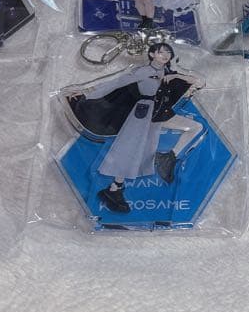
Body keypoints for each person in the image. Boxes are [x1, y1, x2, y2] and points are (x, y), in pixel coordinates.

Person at [65, 43, 205, 214]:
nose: (165, 55)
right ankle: (114, 189)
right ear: (152, 54)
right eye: (161, 52)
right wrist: (87, 93)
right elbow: (116, 83)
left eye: (168, 52)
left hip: (160, 113)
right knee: (130, 151)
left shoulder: (169, 73)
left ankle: (168, 156)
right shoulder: (143, 71)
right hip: (143, 113)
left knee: (195, 127)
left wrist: (176, 76)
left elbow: (199, 82)